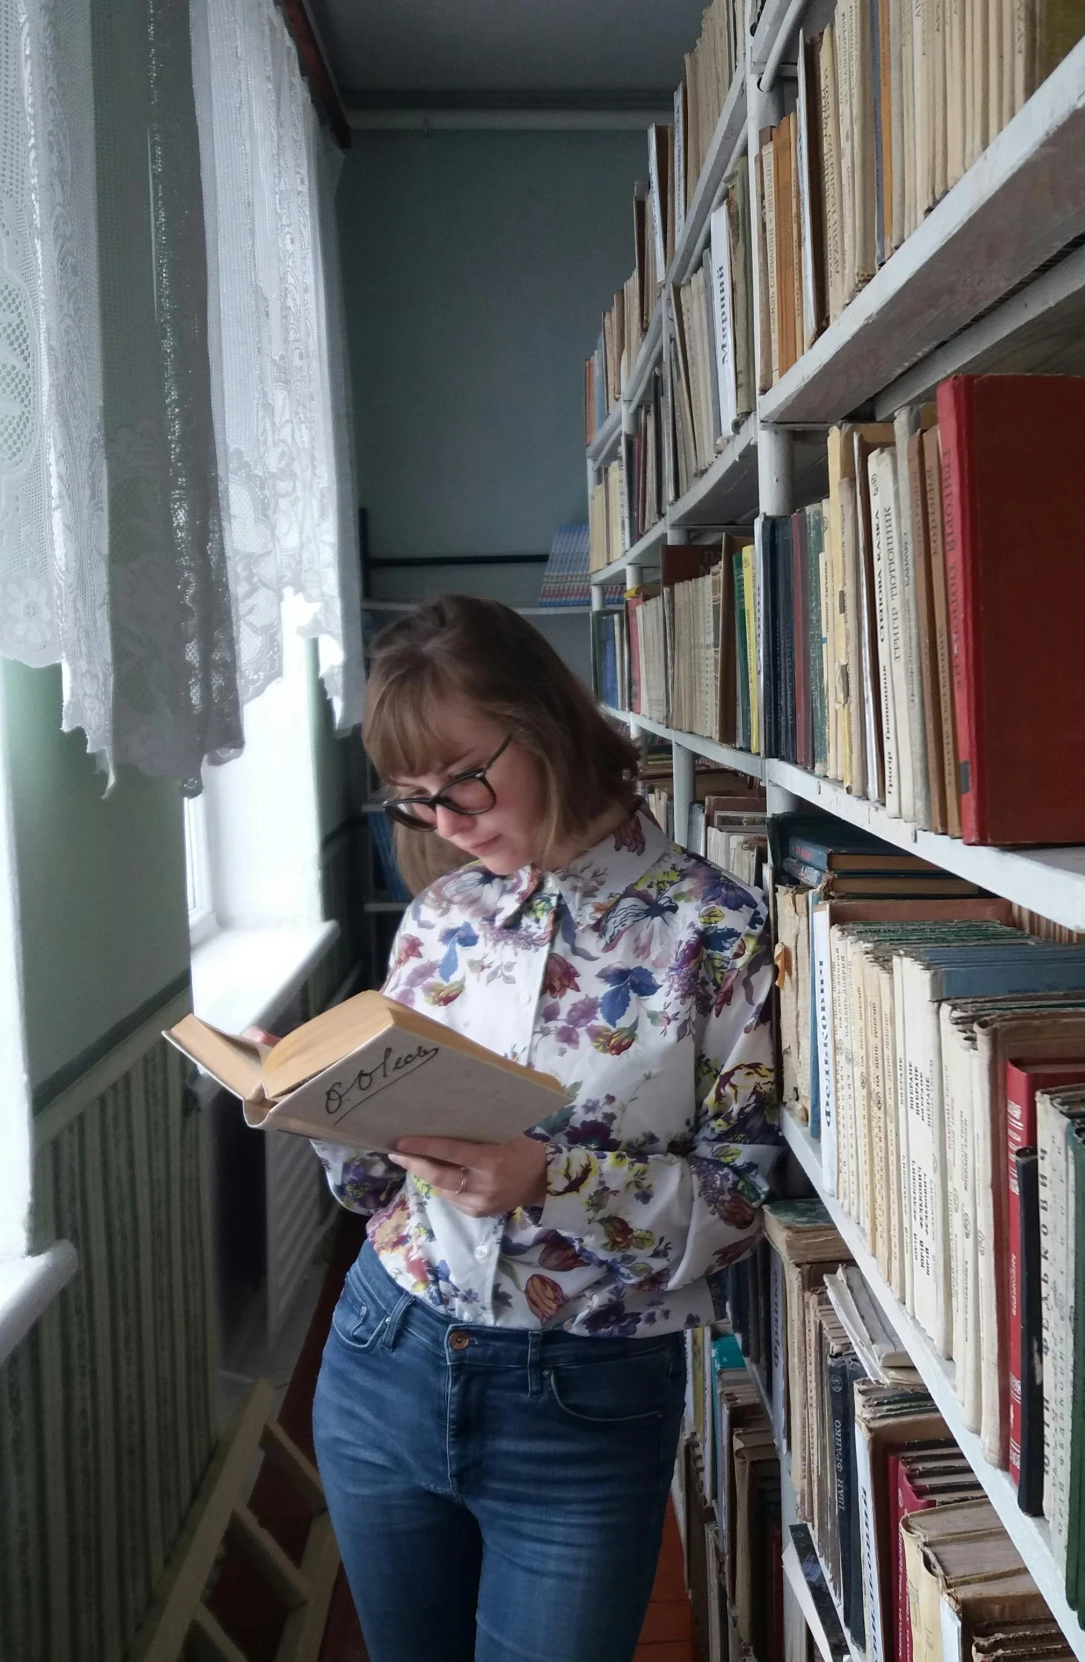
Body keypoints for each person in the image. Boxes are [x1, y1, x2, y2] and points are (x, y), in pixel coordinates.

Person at [310, 594, 780, 1662]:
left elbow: (738, 1207)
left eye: (465, 778)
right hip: (385, 1351)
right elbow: (380, 1193)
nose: (448, 820)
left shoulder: (712, 932)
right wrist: (325, 1109)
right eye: (415, 801)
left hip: (583, 1399)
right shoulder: (440, 920)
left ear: (547, 723)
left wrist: (548, 1180)